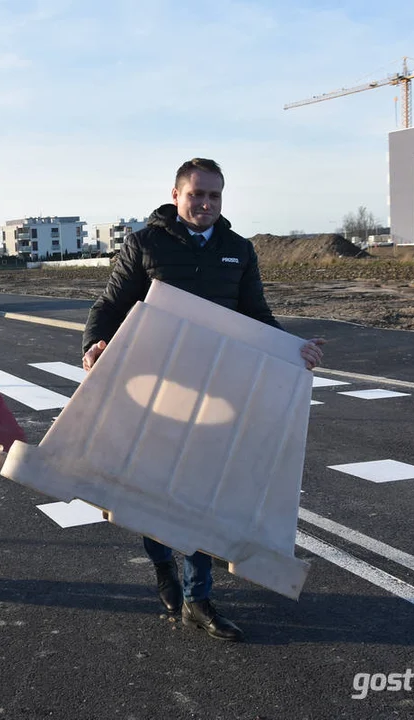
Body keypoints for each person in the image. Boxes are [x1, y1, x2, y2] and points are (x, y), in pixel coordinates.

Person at [82, 158, 325, 641]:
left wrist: (294, 351)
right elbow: (109, 305)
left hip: (217, 392)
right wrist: (93, 343)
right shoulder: (144, 243)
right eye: (197, 195)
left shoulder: (239, 250)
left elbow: (256, 314)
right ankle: (163, 569)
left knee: (199, 493)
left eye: (215, 196)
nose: (206, 204)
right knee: (149, 490)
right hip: (154, 389)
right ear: (176, 196)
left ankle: (197, 597)